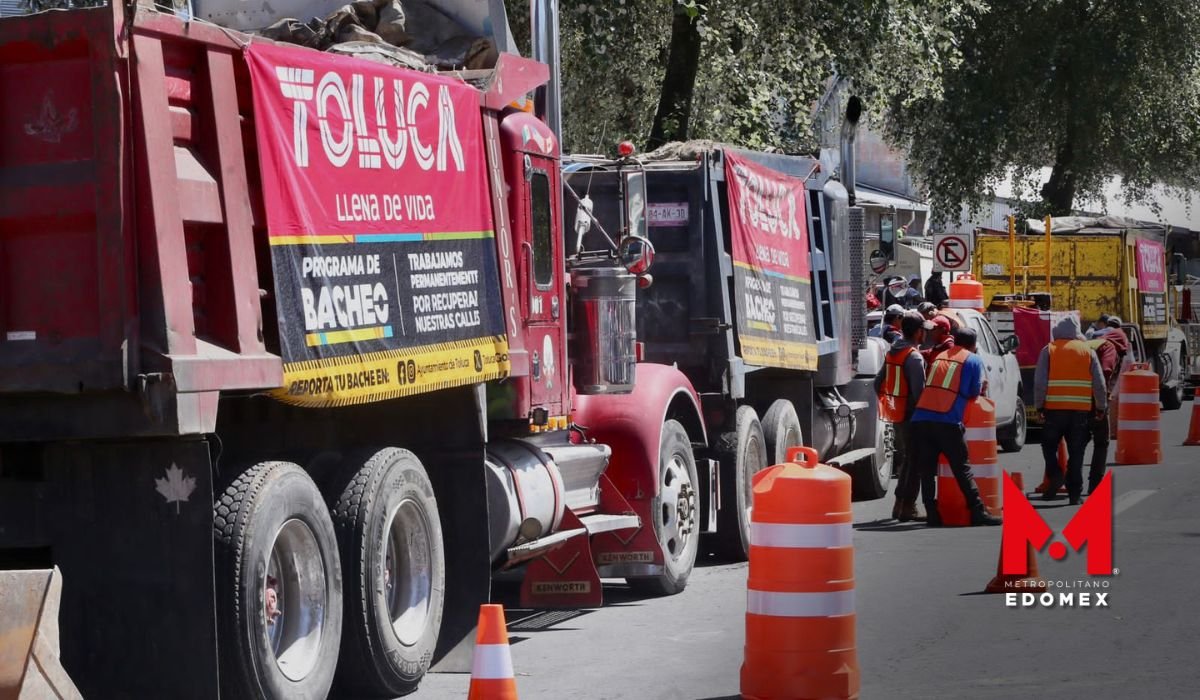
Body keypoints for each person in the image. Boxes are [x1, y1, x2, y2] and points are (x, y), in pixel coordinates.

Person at [909, 327, 1002, 526]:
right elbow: (972, 392)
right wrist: (981, 387)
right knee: (962, 468)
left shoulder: (941, 356)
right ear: (973, 344)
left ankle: (932, 514)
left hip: (921, 418)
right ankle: (977, 511)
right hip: (947, 420)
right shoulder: (972, 359)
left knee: (927, 471)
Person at [1034, 315, 1108, 505]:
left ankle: (1055, 473)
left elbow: (1040, 382)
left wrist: (1039, 406)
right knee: (1077, 452)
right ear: (1077, 332)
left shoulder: (1049, 350)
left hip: (1054, 410)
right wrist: (1101, 407)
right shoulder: (1087, 351)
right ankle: (1075, 494)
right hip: (1080, 412)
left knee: (1048, 446)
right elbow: (1099, 383)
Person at [875, 312, 932, 522]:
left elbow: (877, 383)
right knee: (914, 462)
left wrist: (892, 403)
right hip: (912, 415)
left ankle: (900, 505)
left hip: (897, 413)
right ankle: (908, 507)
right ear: (918, 332)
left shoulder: (893, 352)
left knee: (908, 460)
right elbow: (920, 393)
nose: (926, 334)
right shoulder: (913, 357)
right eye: (924, 330)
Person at [1084, 334, 1121, 494]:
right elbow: (1105, 372)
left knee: (1078, 444)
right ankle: (1095, 485)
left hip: (1078, 399)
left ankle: (1073, 484)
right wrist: (1102, 403)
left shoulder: (1090, 344)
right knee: (1101, 443)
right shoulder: (1110, 348)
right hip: (1094, 400)